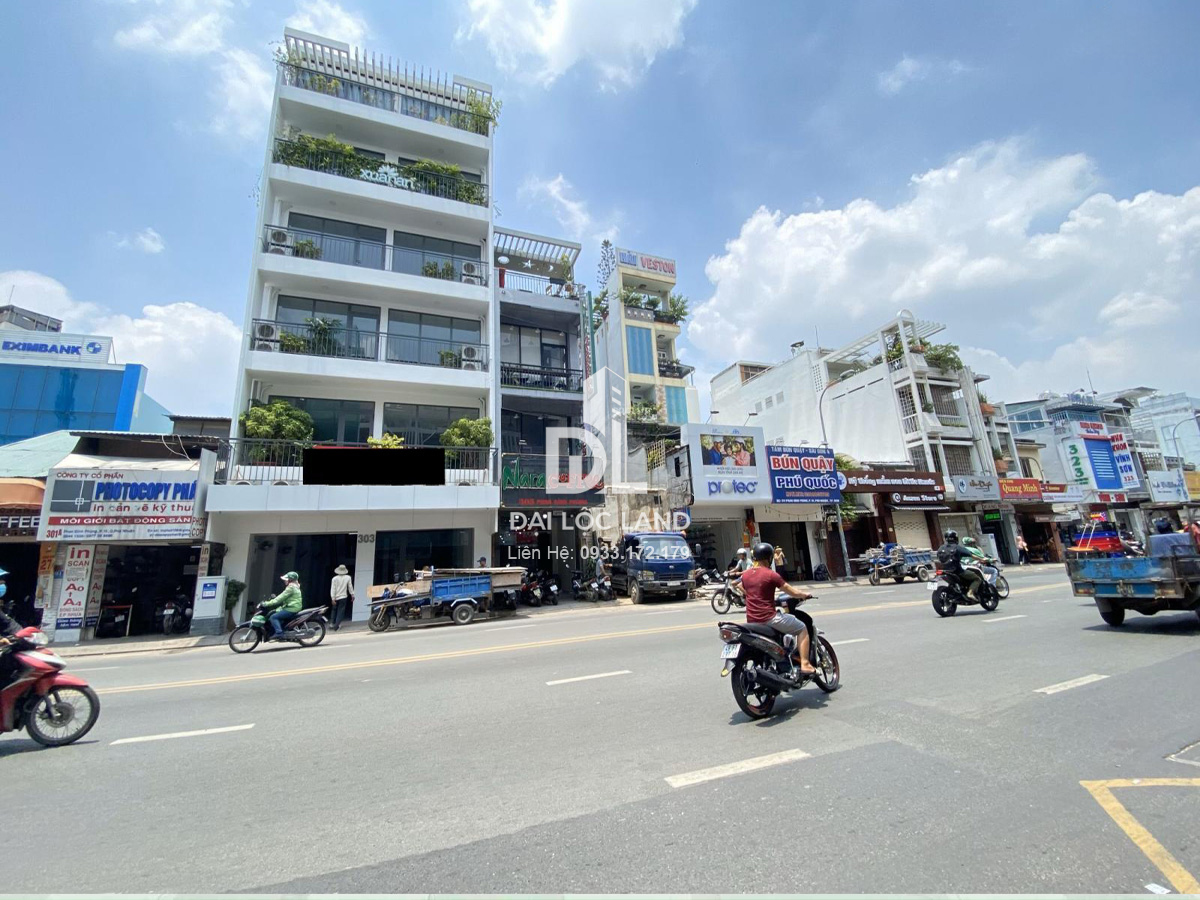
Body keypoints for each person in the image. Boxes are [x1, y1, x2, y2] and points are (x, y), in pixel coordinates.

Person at [742, 542, 817, 675]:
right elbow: (791, 591)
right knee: (802, 628)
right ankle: (805, 664)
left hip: (752, 621)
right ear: (769, 557)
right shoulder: (771, 574)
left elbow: (748, 590)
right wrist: (804, 594)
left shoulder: (746, 575)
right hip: (769, 619)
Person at [937, 530, 983, 599]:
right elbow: (971, 555)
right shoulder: (957, 547)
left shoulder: (941, 548)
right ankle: (970, 593)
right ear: (956, 538)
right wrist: (982, 559)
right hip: (957, 571)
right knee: (977, 579)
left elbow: (938, 558)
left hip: (945, 570)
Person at [263, 571, 303, 640]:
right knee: (275, 612)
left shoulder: (291, 588)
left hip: (291, 608)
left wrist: (267, 603)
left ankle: (279, 633)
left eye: (286, 579)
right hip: (293, 607)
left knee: (273, 617)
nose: (285, 581)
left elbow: (280, 598)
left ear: (290, 580)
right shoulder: (295, 586)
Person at [328, 565, 354, 631]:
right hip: (343, 597)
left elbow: (333, 589)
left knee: (334, 610)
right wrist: (352, 595)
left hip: (336, 597)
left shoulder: (334, 578)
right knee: (340, 611)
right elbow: (350, 587)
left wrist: (333, 598)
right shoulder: (348, 577)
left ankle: (332, 623)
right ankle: (337, 625)